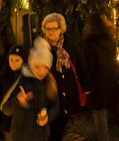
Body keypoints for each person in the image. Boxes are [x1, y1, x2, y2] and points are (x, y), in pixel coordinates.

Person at [41, 13, 88, 141]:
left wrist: (86, 87)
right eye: (47, 28)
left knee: (62, 126)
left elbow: (81, 65)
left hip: (68, 93)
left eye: (53, 28)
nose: (50, 32)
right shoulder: (40, 46)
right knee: (50, 128)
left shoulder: (69, 43)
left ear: (60, 29)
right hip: (50, 95)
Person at [1, 38, 59, 141]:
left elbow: (55, 106)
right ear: (31, 65)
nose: (41, 71)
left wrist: (47, 118)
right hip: (21, 136)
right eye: (37, 66)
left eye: (45, 67)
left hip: (41, 136)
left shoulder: (50, 83)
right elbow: (6, 109)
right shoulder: (22, 82)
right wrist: (18, 102)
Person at [82, 13, 119, 141]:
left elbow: (89, 67)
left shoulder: (89, 44)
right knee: (105, 118)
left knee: (100, 120)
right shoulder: (110, 40)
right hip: (110, 85)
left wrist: (87, 87)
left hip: (97, 87)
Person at [0, 44, 28, 141]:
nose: (13, 63)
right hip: (5, 122)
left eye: (17, 60)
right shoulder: (1, 76)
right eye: (11, 60)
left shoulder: (27, 78)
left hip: (21, 122)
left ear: (24, 61)